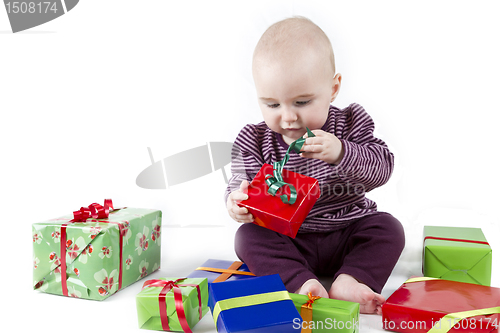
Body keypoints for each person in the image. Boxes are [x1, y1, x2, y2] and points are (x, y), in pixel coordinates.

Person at [225, 16, 404, 314]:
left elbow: (382, 167)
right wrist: (236, 201)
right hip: (290, 241)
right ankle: (301, 283)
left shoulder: (350, 122)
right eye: (272, 105)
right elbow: (239, 181)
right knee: (247, 237)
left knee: (389, 228)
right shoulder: (253, 139)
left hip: (347, 228)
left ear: (333, 89)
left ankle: (351, 279)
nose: (288, 117)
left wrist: (342, 152)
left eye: (302, 102)